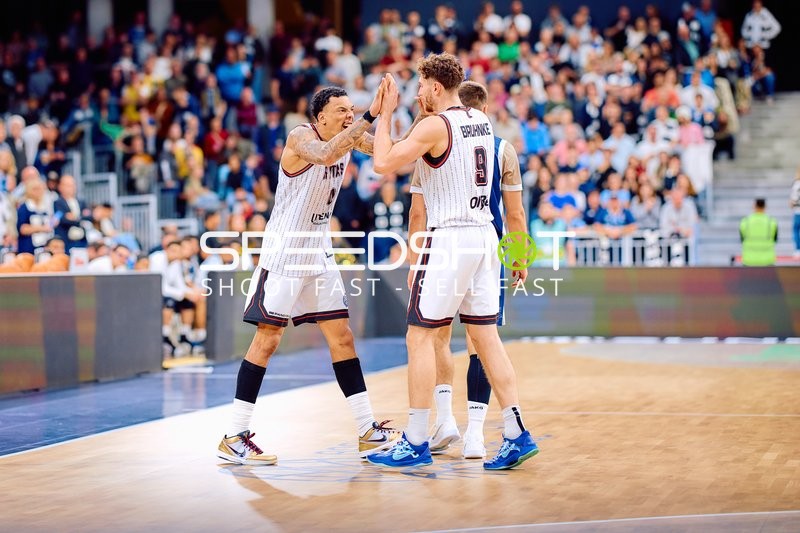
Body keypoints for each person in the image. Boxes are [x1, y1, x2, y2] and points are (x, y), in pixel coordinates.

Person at [366, 53, 537, 470]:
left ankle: (417, 438)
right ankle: (515, 432)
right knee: (486, 339)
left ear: (436, 87)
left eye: (422, 85)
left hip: (450, 239)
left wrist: (385, 114)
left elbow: (381, 162)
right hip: (485, 239)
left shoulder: (433, 125)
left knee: (420, 337)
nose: (418, 92)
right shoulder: (484, 124)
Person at [217, 84, 401, 466]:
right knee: (267, 342)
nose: (350, 115)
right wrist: (369, 115)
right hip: (285, 251)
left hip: (318, 251)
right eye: (342, 110)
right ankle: (234, 435)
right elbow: (326, 153)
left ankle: (367, 430)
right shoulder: (302, 136)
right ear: (320, 117)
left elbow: (390, 152)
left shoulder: (351, 138)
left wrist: (417, 118)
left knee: (343, 338)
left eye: (352, 109)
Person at [409, 80, 528, 460]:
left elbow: (417, 212)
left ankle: (442, 422)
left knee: (432, 336)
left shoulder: (434, 140)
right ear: (483, 109)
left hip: (449, 244)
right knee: (483, 341)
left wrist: (415, 260)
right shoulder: (502, 147)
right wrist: (520, 258)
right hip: (488, 248)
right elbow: (516, 214)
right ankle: (478, 433)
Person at [739, 198, 777, 266]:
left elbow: (742, 239)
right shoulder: (772, 222)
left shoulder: (745, 221)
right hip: (767, 260)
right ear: (765, 206)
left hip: (749, 260)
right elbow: (775, 239)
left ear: (754, 206)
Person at [791, 168, 800, 259]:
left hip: (798, 211)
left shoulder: (797, 184)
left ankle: (798, 249)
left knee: (796, 230)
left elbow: (793, 200)